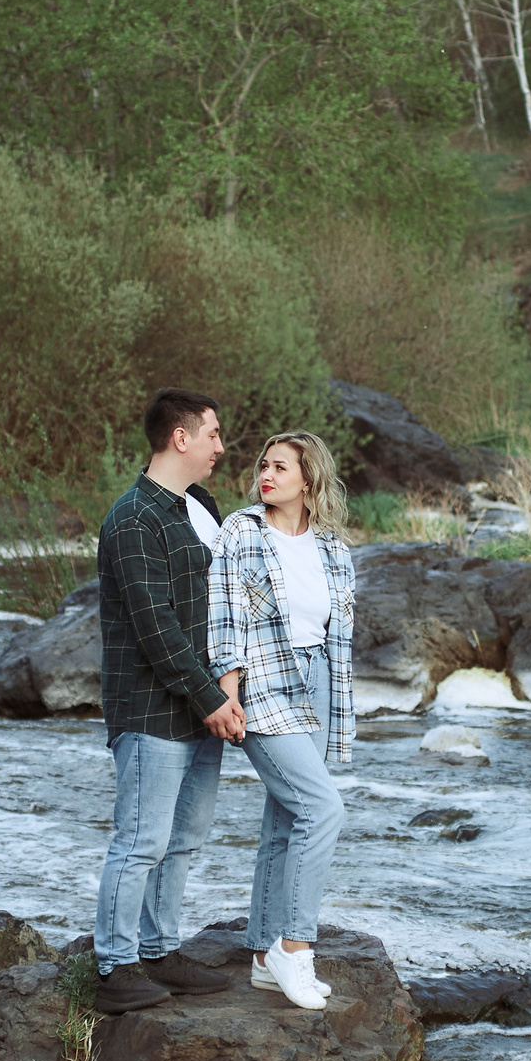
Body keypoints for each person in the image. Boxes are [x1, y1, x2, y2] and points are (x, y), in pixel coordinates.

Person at [92, 388, 246, 1015]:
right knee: (141, 841)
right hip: (150, 709)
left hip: (200, 707)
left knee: (183, 839)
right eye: (213, 433)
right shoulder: (134, 518)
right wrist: (212, 698)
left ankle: (159, 949)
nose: (221, 446)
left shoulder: (199, 508)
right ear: (180, 438)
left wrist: (226, 687)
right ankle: (114, 966)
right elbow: (155, 625)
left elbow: (223, 603)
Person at [207, 432, 356, 1012]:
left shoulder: (333, 548)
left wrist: (338, 703)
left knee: (286, 819)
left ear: (309, 479)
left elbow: (337, 636)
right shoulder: (241, 531)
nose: (266, 475)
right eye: (263, 466)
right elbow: (223, 614)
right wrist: (227, 689)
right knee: (323, 809)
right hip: (265, 681)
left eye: (280, 467)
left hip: (317, 681)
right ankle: (295, 947)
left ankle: (264, 956)